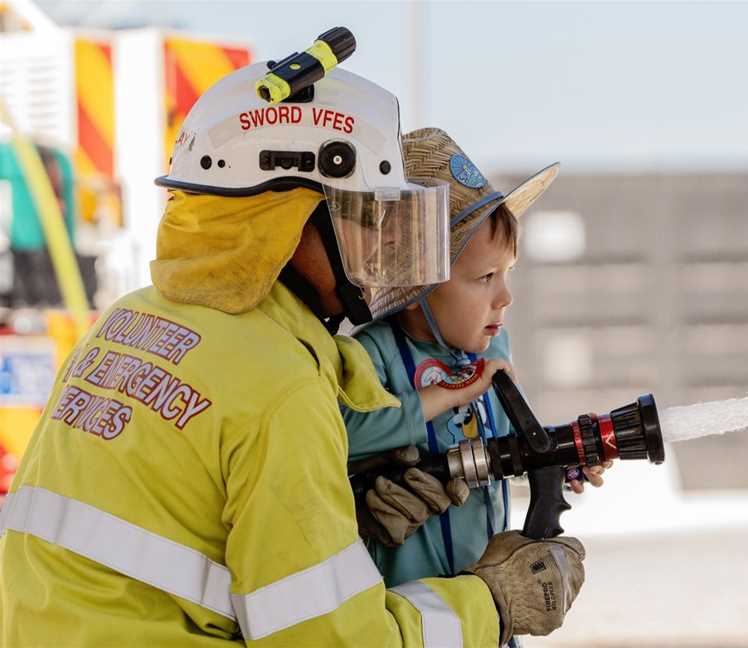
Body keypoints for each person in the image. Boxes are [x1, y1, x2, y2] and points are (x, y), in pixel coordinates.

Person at [0, 53, 586, 647]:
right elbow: (334, 641)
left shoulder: (128, 322)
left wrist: (344, 519)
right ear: (292, 217)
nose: (384, 243)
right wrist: (492, 601)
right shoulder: (281, 389)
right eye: (364, 214)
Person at [345, 128, 612, 588]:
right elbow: (340, 434)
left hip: (489, 607)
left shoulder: (495, 352)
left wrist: (564, 458)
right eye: (485, 276)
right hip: (408, 616)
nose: (504, 297)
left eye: (507, 273)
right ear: (415, 283)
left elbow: (511, 448)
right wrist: (440, 396)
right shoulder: (372, 355)